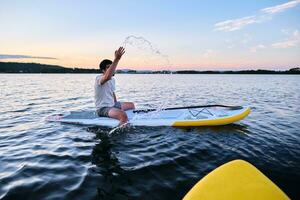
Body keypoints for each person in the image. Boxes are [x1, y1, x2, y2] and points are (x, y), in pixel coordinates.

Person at [94, 47, 135, 125]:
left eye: (111, 67)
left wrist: (116, 105)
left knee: (131, 105)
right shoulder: (99, 78)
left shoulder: (112, 80)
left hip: (112, 105)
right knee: (123, 115)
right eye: (108, 67)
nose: (112, 69)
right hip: (103, 108)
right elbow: (107, 76)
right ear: (103, 71)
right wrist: (117, 59)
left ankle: (130, 119)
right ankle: (121, 130)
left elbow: (112, 92)